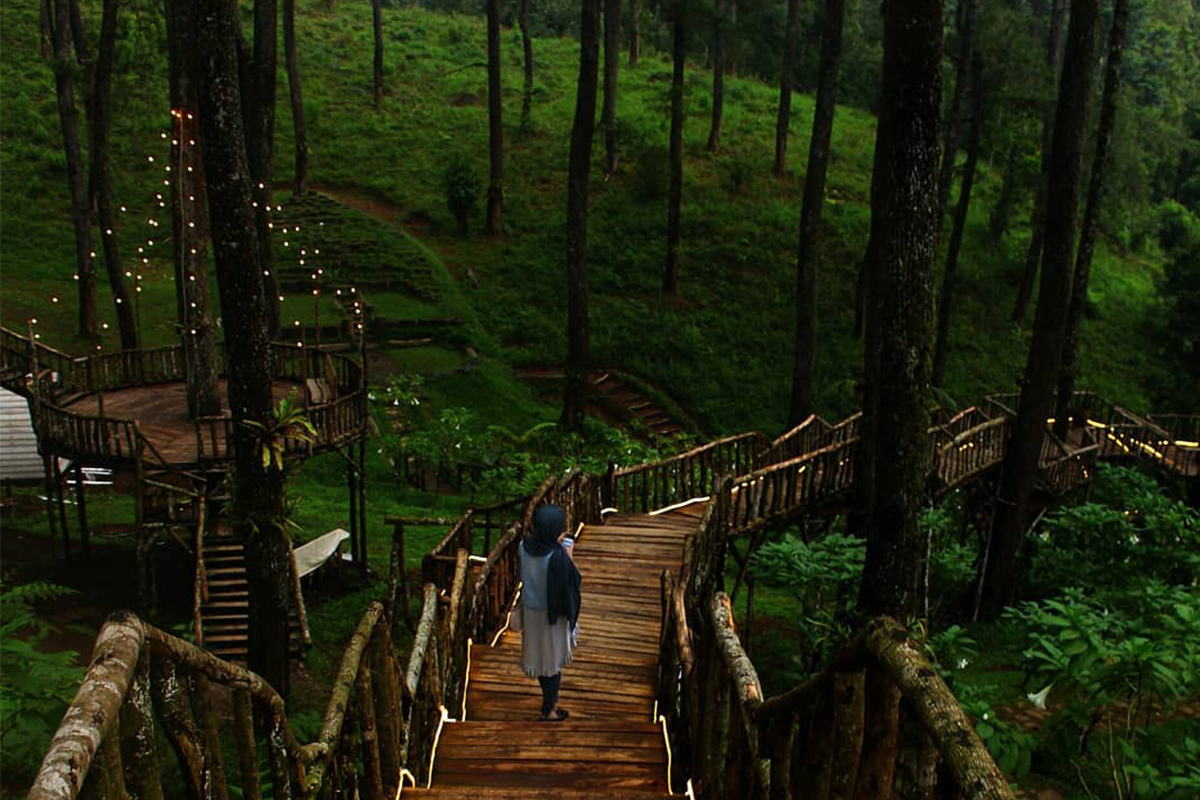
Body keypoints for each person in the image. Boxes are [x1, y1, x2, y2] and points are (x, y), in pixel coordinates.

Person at [518, 504, 582, 721]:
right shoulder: (558, 557)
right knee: (552, 663)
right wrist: (568, 553)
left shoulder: (523, 547)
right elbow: (572, 581)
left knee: (541, 659)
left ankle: (548, 703)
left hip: (531, 612)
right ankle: (549, 710)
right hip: (552, 616)